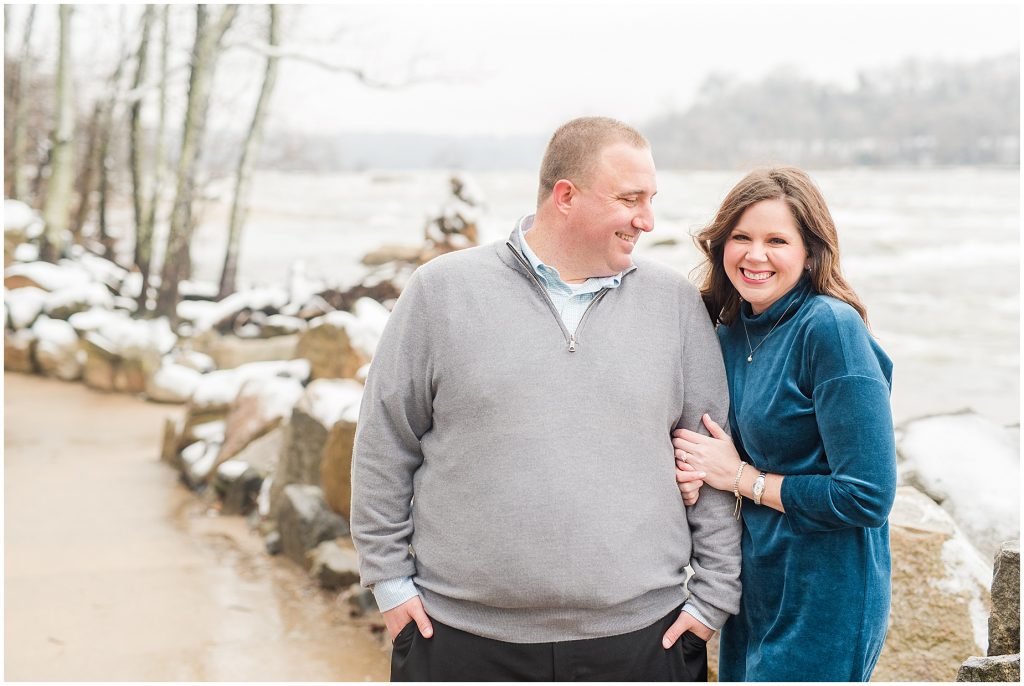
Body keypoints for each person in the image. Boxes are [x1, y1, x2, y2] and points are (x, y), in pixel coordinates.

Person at [350, 116, 741, 681]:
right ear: (566, 197)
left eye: (651, 200)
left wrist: (713, 596)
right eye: (630, 199)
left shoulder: (675, 305)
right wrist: (388, 582)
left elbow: (705, 456)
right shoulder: (441, 291)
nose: (648, 220)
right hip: (460, 638)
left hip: (643, 640)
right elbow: (384, 442)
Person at [671, 166, 897, 681]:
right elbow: (717, 448)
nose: (755, 255)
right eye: (741, 237)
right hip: (755, 582)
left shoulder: (830, 328)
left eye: (777, 240)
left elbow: (867, 495)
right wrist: (692, 471)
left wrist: (740, 479)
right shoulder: (728, 334)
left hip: (828, 593)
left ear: (810, 252)